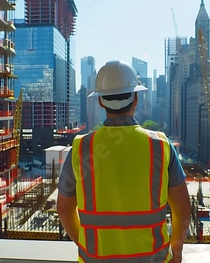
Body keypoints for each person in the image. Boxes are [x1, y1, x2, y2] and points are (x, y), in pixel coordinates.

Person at [57, 60, 191, 263]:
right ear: (136, 99)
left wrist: (83, 244)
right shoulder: (160, 145)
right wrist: (177, 250)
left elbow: (65, 210)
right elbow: (182, 210)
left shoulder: (82, 148)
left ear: (100, 101)